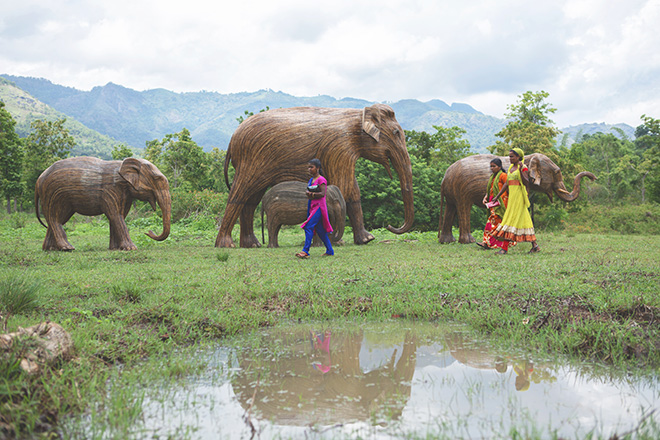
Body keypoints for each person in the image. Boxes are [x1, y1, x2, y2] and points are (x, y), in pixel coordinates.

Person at [491, 148, 540, 254]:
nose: (510, 158)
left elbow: (526, 182)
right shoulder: (510, 168)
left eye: (512, 156)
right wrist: (497, 196)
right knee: (524, 219)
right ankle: (535, 246)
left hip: (519, 197)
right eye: (509, 156)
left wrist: (522, 170)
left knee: (510, 219)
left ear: (518, 157)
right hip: (512, 197)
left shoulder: (524, 168)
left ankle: (504, 249)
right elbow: (507, 183)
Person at [295, 159, 335, 258]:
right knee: (320, 230)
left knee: (308, 226)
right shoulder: (310, 180)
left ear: (317, 168)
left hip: (319, 207)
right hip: (312, 205)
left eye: (311, 167)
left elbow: (322, 194)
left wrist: (311, 194)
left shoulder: (321, 180)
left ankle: (305, 251)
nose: (309, 169)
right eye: (308, 167)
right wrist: (309, 194)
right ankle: (330, 251)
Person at [477, 158, 513, 251]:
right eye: (491, 166)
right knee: (492, 222)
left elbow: (508, 187)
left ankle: (490, 242)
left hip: (501, 202)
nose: (492, 168)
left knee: (495, 222)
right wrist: (485, 197)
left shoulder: (503, 175)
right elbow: (490, 189)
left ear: (500, 167)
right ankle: (488, 242)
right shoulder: (493, 176)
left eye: (494, 166)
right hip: (492, 202)